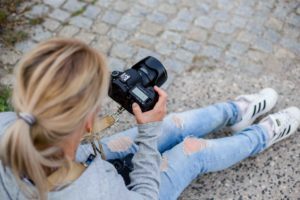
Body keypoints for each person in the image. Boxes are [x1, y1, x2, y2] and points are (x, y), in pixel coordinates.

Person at [0, 38, 299, 200]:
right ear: (87, 122)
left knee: (170, 126)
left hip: (78, 158)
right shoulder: (96, 191)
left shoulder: (8, 123)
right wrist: (147, 134)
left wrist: (151, 130)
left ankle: (236, 112)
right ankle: (261, 136)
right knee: (189, 151)